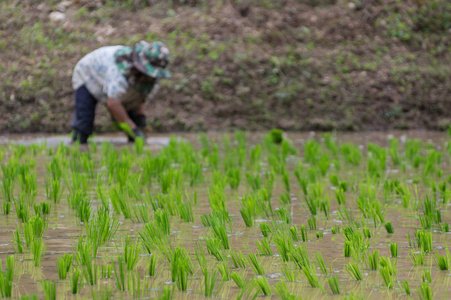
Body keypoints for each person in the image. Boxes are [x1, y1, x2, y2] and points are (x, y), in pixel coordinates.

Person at [71, 40, 170, 144]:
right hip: (87, 74)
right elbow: (113, 103)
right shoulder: (120, 71)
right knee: (84, 122)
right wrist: (133, 129)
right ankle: (77, 145)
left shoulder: (151, 79)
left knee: (134, 123)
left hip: (110, 80)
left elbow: (139, 96)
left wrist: (140, 117)